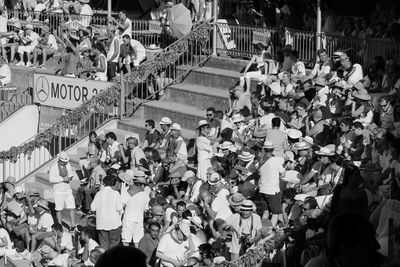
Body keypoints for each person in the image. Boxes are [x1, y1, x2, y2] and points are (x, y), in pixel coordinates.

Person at [91, 175, 123, 250]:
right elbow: (119, 208)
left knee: (103, 245)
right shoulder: (116, 193)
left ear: (104, 183)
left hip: (102, 223)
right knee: (114, 244)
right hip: (114, 223)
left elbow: (93, 208)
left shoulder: (99, 194)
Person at [259, 140, 286, 228]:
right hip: (272, 190)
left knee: (266, 212)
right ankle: (271, 231)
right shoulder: (275, 160)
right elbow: (283, 174)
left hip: (262, 189)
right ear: (273, 149)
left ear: (264, 149)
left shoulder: (261, 160)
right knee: (276, 213)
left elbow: (259, 173)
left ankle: (262, 228)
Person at [121, 171, 150, 247]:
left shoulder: (127, 191)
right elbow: (146, 209)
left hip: (128, 219)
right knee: (137, 242)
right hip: (139, 219)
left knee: (126, 242)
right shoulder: (145, 194)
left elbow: (121, 205)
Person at [48, 152, 75, 230]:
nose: (64, 163)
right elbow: (51, 179)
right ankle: (59, 226)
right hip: (58, 191)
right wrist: (62, 179)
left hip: (68, 189)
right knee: (59, 209)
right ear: (59, 160)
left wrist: (69, 177)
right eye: (63, 161)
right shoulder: (53, 167)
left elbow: (70, 174)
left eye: (65, 161)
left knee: (72, 207)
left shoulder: (68, 165)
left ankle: (72, 225)